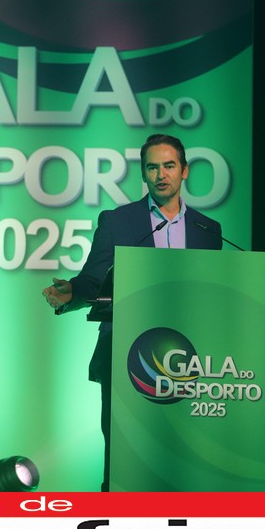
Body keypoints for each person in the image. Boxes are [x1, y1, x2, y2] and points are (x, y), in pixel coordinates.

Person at [42, 133, 224, 491]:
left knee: (182, 461)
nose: (161, 174)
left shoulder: (207, 230)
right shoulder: (118, 221)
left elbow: (213, 293)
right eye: (152, 167)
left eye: (169, 166)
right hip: (127, 356)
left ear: (184, 170)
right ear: (143, 173)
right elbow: (94, 279)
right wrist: (72, 293)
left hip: (188, 362)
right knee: (125, 462)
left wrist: (260, 302)